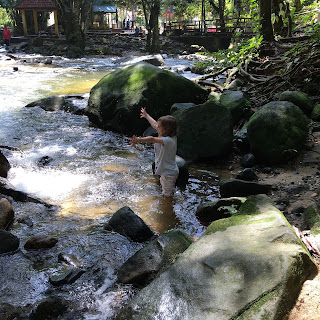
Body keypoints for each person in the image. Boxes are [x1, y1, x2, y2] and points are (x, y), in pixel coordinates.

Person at [130, 107, 179, 201]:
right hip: (166, 171)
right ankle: (171, 199)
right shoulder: (165, 134)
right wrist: (146, 115)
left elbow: (152, 139)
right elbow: (154, 124)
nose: (157, 127)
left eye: (159, 126)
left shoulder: (169, 140)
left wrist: (138, 140)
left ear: (166, 129)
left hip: (169, 173)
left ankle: (169, 210)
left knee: (167, 197)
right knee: (166, 191)